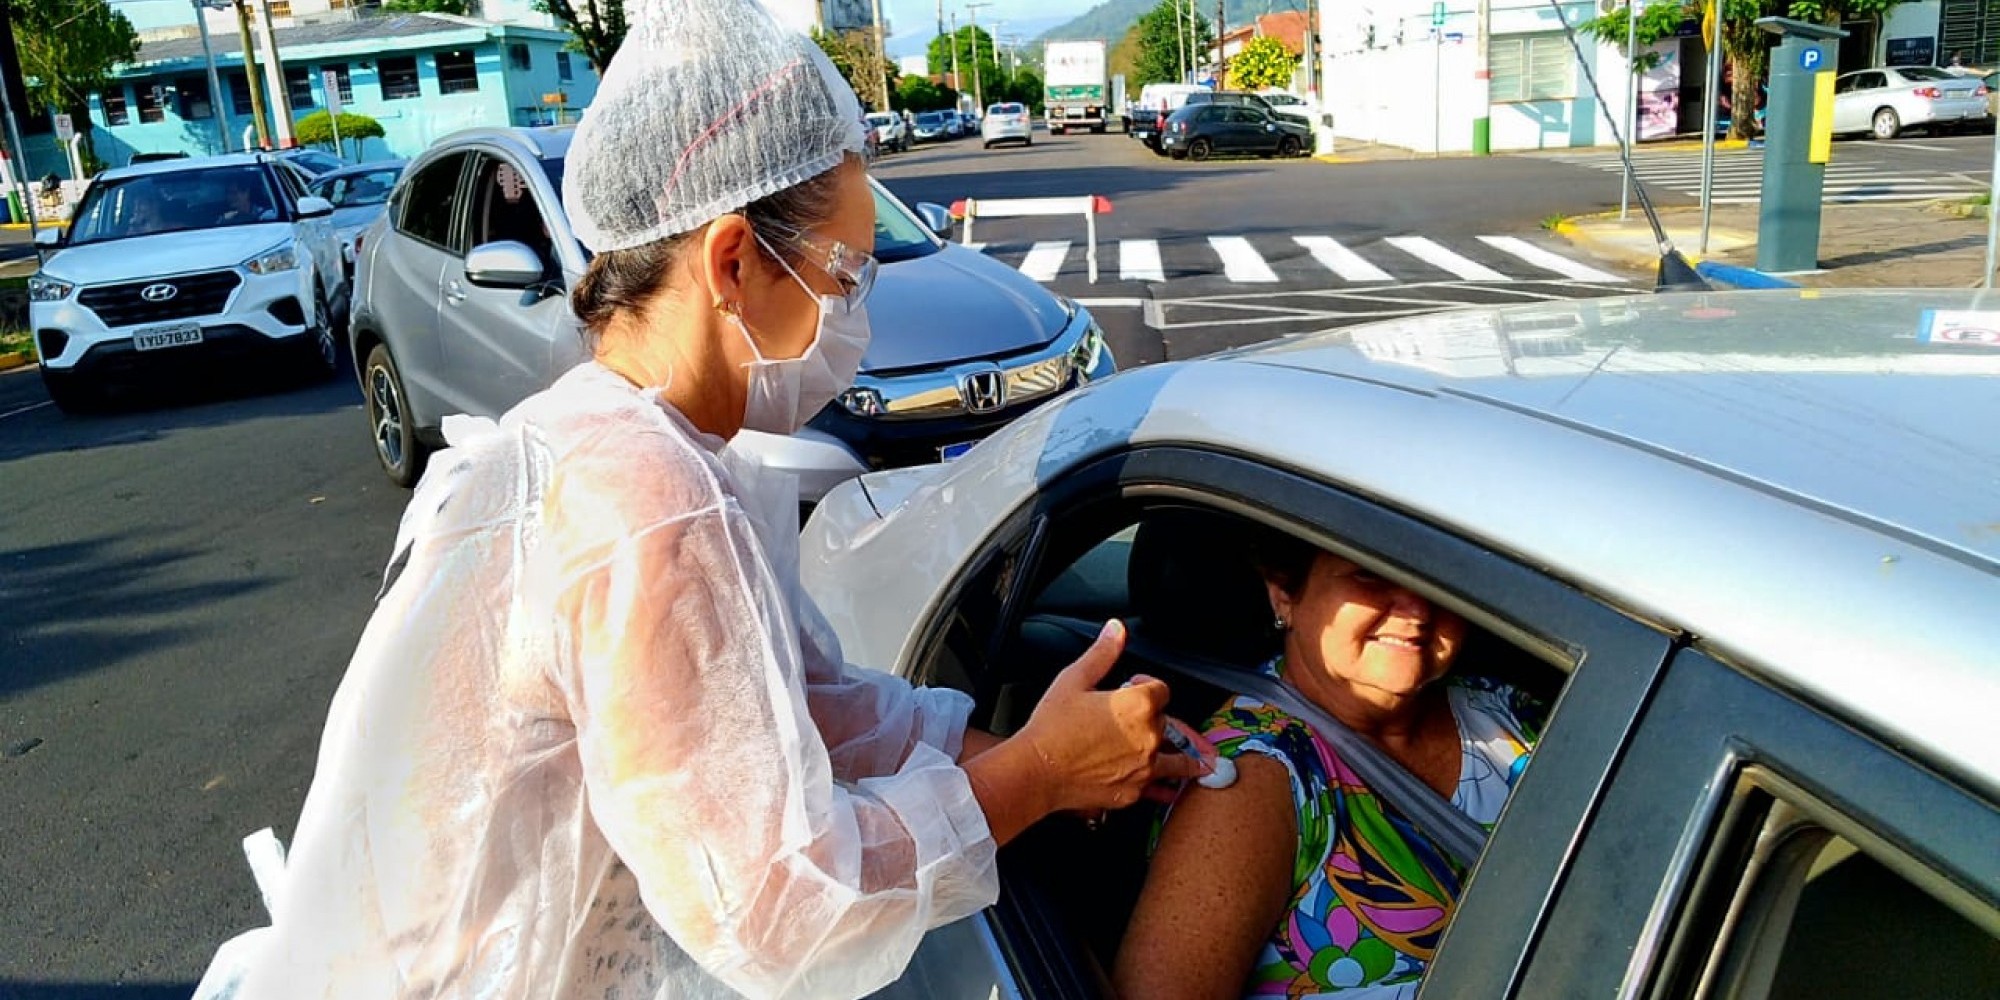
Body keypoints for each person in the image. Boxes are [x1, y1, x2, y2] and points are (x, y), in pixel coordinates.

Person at [210, 0, 1206, 996]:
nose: (857, 311)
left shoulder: (607, 437)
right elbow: (777, 904)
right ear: (731, 262)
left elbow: (806, 708)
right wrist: (1033, 777)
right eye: (844, 274)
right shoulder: (642, 497)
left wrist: (1056, 757)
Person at [1114, 531, 1543, 999]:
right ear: (1284, 593)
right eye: (1370, 575)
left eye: (1438, 577)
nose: (1417, 611)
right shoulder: (1253, 776)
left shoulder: (1509, 712)